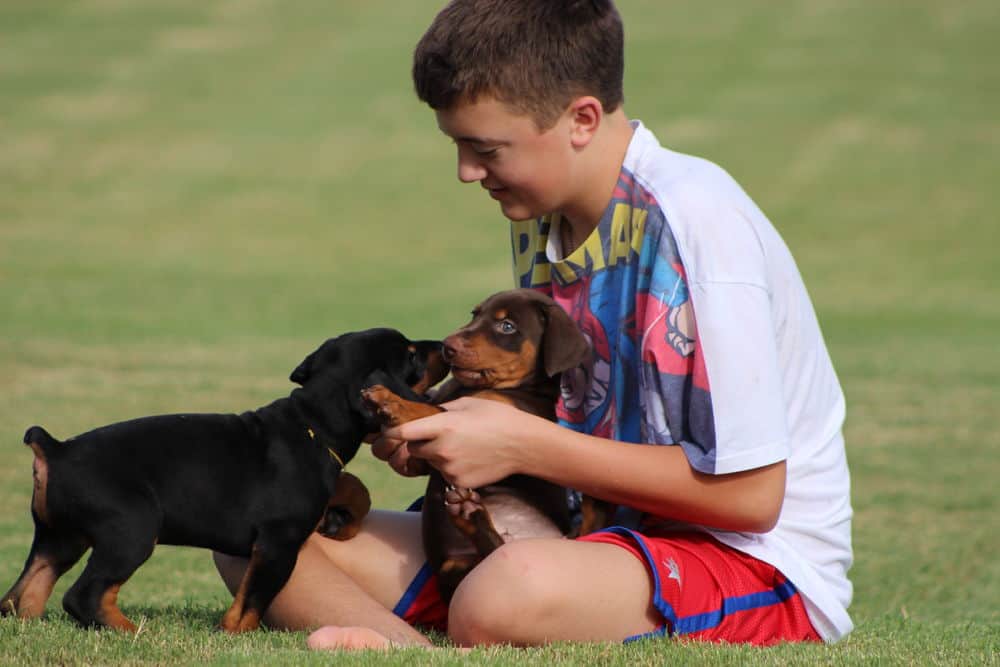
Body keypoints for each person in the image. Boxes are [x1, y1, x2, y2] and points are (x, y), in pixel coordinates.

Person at [214, 0, 853, 649]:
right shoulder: (546, 218)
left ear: (581, 118)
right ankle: (406, 651)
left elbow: (751, 496)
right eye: (458, 144)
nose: (466, 171)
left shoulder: (696, 225)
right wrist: (447, 435)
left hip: (748, 562)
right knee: (252, 532)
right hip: (572, 533)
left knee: (506, 592)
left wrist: (519, 444)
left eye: (485, 148)